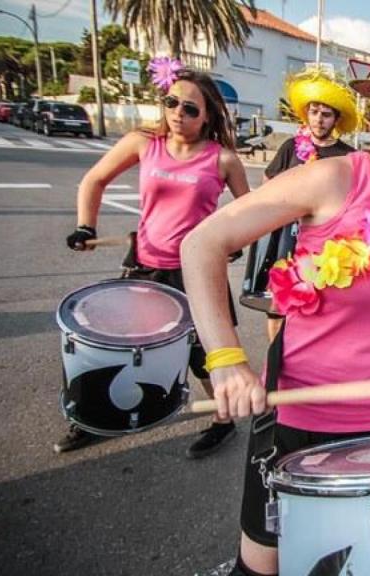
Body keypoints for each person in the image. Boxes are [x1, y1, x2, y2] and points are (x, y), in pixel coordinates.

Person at [179, 24, 370, 576]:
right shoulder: (332, 180)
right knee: (263, 567)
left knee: (359, 563)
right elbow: (203, 243)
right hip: (301, 418)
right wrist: (226, 360)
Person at [58, 63, 249, 457]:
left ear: (208, 114)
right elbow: (94, 180)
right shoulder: (143, 143)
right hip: (144, 263)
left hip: (196, 272)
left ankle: (223, 421)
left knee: (204, 354)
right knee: (120, 344)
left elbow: (250, 210)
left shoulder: (223, 159)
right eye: (172, 102)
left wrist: (234, 239)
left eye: (191, 108)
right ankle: (93, 416)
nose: (179, 113)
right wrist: (85, 227)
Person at [259, 69, 359, 344]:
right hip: (286, 235)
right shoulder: (292, 147)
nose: (319, 118)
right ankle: (276, 356)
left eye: (326, 114)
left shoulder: (347, 155)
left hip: (326, 243)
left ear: (336, 119)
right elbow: (268, 181)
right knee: (279, 301)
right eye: (314, 111)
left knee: (318, 300)